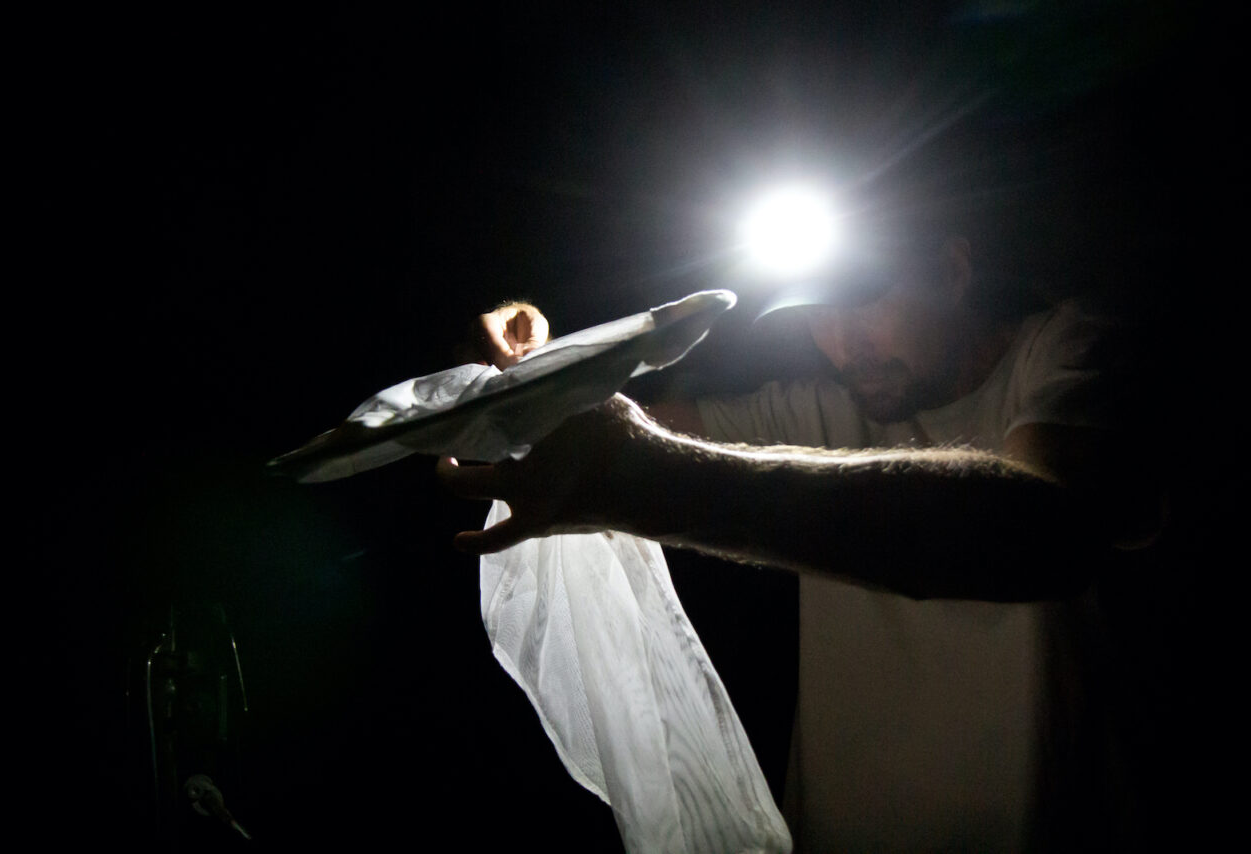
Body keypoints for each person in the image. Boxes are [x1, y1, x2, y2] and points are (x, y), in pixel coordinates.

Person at [439, 233, 1161, 850]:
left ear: (950, 268)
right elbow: (591, 439)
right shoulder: (822, 407)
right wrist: (530, 371)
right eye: (817, 315)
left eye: (864, 300)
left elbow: (1040, 532)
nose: (841, 342)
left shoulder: (1068, 351)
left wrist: (659, 480)